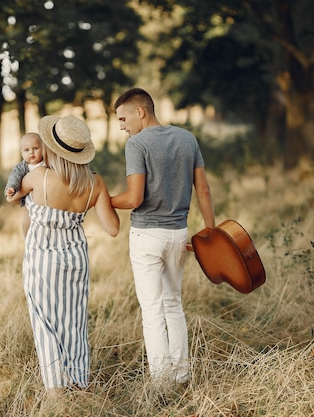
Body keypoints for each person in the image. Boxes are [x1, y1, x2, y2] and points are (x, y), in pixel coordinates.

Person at [6, 115, 119, 394]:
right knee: (74, 322)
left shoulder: (37, 177)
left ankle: (56, 391)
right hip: (76, 259)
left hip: (41, 258)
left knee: (45, 322)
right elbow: (113, 228)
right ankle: (79, 382)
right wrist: (105, 198)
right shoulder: (96, 183)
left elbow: (12, 198)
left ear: (50, 148)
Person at [110, 88, 215, 385]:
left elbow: (134, 198)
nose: (121, 125)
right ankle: (182, 375)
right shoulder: (187, 138)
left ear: (140, 111)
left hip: (147, 235)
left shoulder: (137, 144)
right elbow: (204, 191)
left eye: (123, 118)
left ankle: (162, 383)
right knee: (173, 304)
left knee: (152, 311)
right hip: (178, 234)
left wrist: (101, 199)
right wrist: (209, 232)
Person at [5, 132, 46, 237]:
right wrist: (12, 187)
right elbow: (15, 176)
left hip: (46, 201)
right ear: (22, 153)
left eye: (36, 148)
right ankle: (27, 238)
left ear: (43, 148)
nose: (31, 152)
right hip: (30, 203)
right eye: (27, 150)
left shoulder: (47, 163)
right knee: (27, 222)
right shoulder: (23, 167)